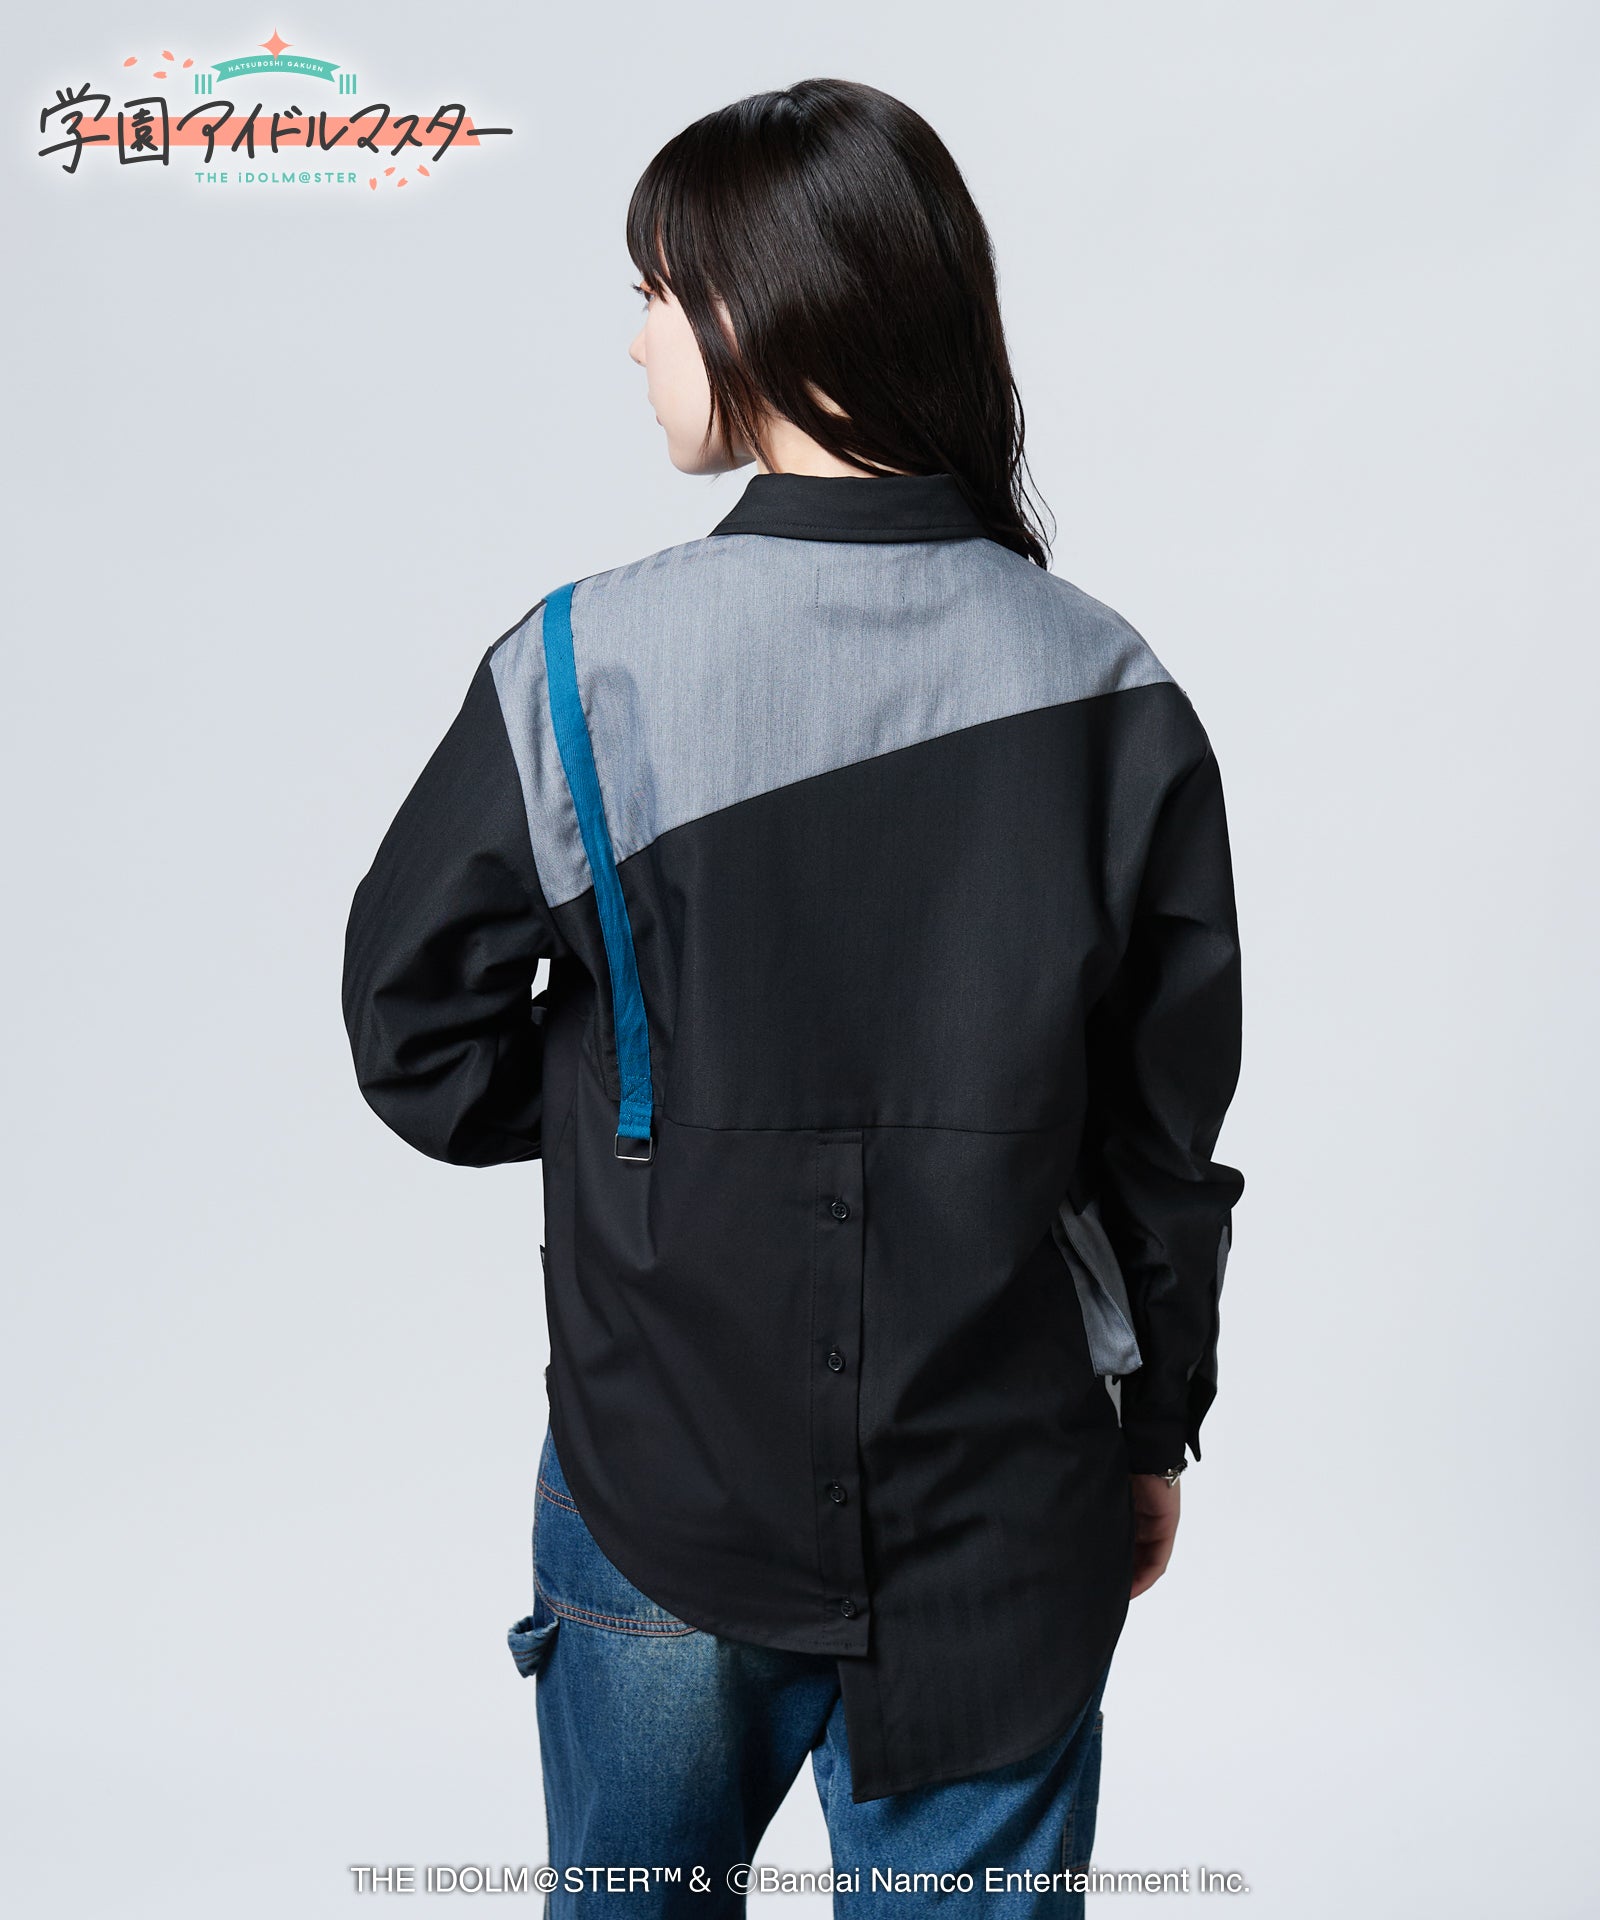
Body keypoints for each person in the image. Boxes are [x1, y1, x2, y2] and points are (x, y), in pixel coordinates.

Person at [341, 77, 1244, 1919]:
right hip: (1009, 1503)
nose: (638, 340)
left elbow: (411, 1035)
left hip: (657, 1470)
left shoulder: (582, 665)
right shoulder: (1113, 689)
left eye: (656, 292)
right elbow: (1163, 1141)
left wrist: (648, 1114)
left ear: (755, 309)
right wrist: (1154, 1431)